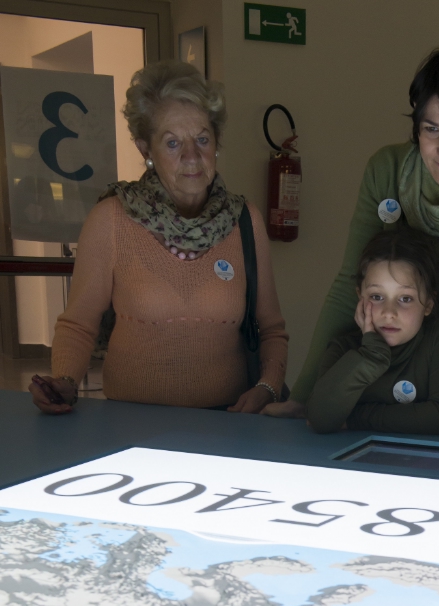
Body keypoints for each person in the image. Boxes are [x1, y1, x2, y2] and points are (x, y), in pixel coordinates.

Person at [265, 43, 439, 418]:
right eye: (431, 129)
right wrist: (304, 396)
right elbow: (349, 285)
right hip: (398, 384)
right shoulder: (388, 172)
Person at [29, 61, 288, 414]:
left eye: (202, 139)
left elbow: (272, 329)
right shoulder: (111, 219)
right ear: (145, 150)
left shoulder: (245, 220)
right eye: (172, 143)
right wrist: (65, 381)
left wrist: (267, 387)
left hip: (227, 423)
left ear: (216, 142)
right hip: (130, 423)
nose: (191, 156)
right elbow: (78, 324)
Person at [307, 228, 439, 434]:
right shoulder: (344, 348)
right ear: (360, 296)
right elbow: (319, 419)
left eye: (405, 298)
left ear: (428, 304)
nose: (389, 313)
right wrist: (371, 356)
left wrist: (355, 418)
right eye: (377, 297)